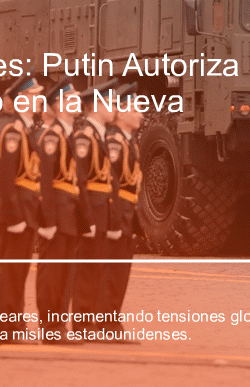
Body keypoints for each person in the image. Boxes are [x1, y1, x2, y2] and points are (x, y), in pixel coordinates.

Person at [34, 81, 86, 344]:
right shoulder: (52, 136)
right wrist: (47, 220)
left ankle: (59, 325)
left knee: (66, 272)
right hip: (56, 213)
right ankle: (49, 327)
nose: (79, 101)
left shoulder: (69, 134)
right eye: (74, 97)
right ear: (60, 104)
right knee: (52, 271)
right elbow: (44, 181)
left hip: (70, 212)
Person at [0, 75, 42, 343]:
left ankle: (15, 324)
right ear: (23, 100)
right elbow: (6, 179)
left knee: (18, 271)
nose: (39, 101)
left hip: (26, 210)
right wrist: (12, 216)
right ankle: (7, 328)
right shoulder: (13, 131)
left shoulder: (24, 129)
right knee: (11, 271)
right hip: (17, 213)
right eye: (34, 96)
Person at [69, 81, 117, 338]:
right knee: (86, 268)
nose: (115, 109)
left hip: (102, 208)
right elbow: (81, 181)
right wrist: (85, 218)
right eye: (110, 103)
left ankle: (91, 322)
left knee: (97, 266)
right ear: (96, 106)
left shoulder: (99, 135)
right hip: (92, 210)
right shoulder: (85, 137)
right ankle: (82, 323)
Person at [104, 84, 143, 330]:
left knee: (120, 273)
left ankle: (110, 321)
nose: (141, 114)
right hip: (117, 213)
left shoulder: (128, 142)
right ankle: (104, 322)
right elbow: (111, 184)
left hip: (127, 213)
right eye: (136, 109)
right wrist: (114, 220)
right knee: (110, 272)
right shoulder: (114, 142)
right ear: (120, 113)